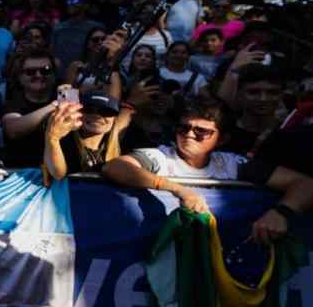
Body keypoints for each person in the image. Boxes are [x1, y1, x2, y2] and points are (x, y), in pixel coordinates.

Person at [102, 99, 313, 245]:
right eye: (183, 128)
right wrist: (178, 189)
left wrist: (281, 213)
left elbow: (305, 184)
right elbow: (114, 167)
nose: (189, 135)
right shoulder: (160, 156)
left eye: (201, 131)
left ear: (222, 139)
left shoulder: (232, 164)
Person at [43, 92, 131, 181]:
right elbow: (58, 174)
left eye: (106, 111)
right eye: (89, 109)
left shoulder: (122, 144)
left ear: (114, 119)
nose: (97, 116)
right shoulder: (63, 141)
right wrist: (52, 137)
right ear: (77, 113)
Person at [0, 49, 58, 168]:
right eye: (30, 72)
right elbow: (13, 130)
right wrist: (54, 106)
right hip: (21, 172)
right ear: (20, 77)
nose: (38, 75)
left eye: (45, 70)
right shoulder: (13, 103)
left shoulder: (64, 97)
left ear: (54, 75)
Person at [219, 64, 283, 155]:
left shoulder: (289, 132)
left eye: (272, 92)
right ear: (239, 94)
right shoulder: (222, 132)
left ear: (281, 95)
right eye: (254, 92)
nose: (263, 99)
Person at [51, 0, 104, 68]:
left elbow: (101, 51)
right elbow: (52, 52)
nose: (71, 4)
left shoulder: (96, 27)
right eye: (69, 1)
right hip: (60, 72)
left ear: (86, 6)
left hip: (85, 70)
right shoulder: (58, 28)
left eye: (76, 1)